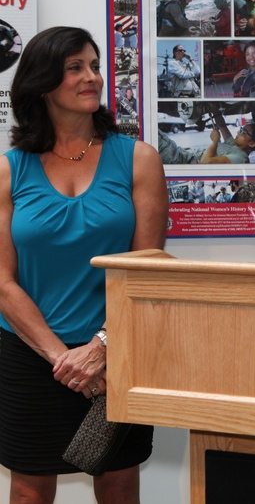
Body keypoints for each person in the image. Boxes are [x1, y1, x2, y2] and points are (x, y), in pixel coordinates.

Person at [0, 26, 166, 503]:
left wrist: (101, 346)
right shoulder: (10, 170)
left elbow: (146, 272)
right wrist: (63, 359)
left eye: (94, 65)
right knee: (30, 493)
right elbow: (3, 281)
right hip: (33, 356)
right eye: (75, 68)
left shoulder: (138, 160)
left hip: (116, 352)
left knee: (117, 489)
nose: (91, 77)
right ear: (42, 82)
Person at [158, 112, 255, 165]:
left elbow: (205, 162)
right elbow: (222, 126)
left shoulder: (241, 158)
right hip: (181, 153)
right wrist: (214, 110)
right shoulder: (235, 146)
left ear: (252, 144)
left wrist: (215, 141)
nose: (239, 132)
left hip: (181, 159)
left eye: (244, 132)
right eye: (241, 129)